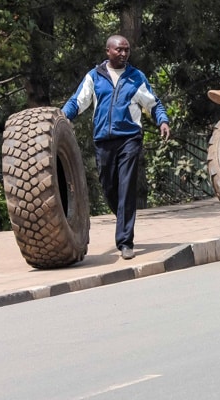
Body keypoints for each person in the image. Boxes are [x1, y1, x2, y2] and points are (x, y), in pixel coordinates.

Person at [63, 35, 171, 260]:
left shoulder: (135, 77)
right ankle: (123, 217)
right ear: (108, 51)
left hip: (129, 139)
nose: (123, 54)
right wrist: (62, 118)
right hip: (103, 140)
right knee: (109, 188)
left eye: (127, 50)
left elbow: (153, 103)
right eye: (119, 50)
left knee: (126, 188)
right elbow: (78, 102)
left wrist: (162, 120)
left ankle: (125, 242)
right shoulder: (94, 77)